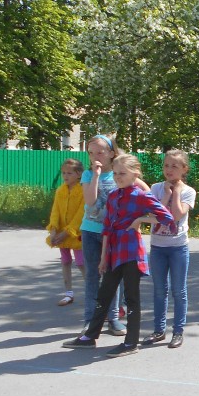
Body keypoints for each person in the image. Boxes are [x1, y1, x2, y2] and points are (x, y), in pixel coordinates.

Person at [64, 154, 174, 356]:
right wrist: (103, 257)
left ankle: (131, 342)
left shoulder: (141, 196)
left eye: (122, 173)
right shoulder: (114, 196)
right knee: (104, 294)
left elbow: (166, 217)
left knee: (131, 298)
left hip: (131, 253)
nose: (117, 177)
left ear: (135, 174)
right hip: (114, 252)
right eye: (115, 173)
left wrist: (140, 220)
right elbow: (107, 227)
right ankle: (90, 337)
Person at [79, 135, 146, 336]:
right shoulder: (88, 175)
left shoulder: (120, 173)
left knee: (112, 276)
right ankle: (90, 320)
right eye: (91, 153)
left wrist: (137, 218)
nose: (95, 157)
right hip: (91, 230)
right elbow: (90, 202)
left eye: (100, 152)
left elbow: (146, 192)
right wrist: (96, 175)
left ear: (111, 153)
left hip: (115, 234)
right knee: (92, 276)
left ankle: (113, 318)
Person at [143, 150, 197, 349]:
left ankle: (178, 331)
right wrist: (166, 194)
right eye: (166, 165)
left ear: (184, 169)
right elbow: (155, 214)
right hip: (158, 247)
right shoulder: (156, 188)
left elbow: (175, 215)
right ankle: (159, 330)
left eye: (174, 166)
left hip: (178, 248)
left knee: (179, 290)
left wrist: (176, 192)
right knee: (159, 290)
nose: (169, 169)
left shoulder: (188, 191)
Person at [46, 158, 85, 307]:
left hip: (76, 233)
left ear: (79, 174)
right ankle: (68, 293)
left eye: (69, 173)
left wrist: (68, 231)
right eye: (63, 173)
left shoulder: (83, 190)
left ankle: (93, 293)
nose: (65, 176)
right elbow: (55, 211)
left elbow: (81, 214)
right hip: (61, 233)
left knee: (81, 263)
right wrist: (53, 230)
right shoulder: (60, 190)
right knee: (65, 261)